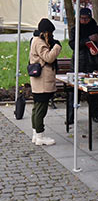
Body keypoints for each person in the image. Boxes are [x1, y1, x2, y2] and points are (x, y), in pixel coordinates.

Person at [68, 7, 98, 124]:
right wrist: (87, 40)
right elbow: (72, 44)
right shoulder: (75, 29)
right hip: (79, 63)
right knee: (73, 92)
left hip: (94, 63)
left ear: (90, 18)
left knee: (95, 91)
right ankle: (71, 117)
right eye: (82, 18)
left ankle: (95, 114)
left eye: (86, 18)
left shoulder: (97, 29)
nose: (84, 21)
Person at [30, 18, 62, 146]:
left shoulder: (36, 40)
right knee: (41, 109)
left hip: (40, 81)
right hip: (42, 81)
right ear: (45, 32)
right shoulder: (39, 42)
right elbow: (48, 58)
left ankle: (36, 134)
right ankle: (40, 136)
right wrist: (57, 47)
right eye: (50, 33)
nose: (52, 36)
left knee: (37, 107)